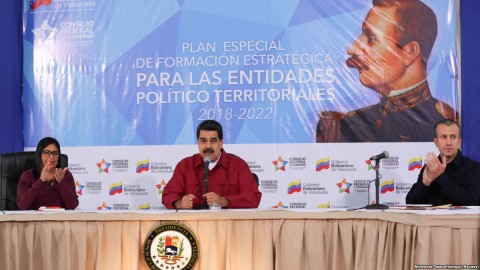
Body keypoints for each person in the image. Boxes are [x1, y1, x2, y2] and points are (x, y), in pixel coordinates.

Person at [316, 0, 457, 142]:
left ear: (410, 52)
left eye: (371, 38)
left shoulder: (448, 125)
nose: (352, 49)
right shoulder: (339, 128)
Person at [162, 120, 262, 209]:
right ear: (198, 143)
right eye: (203, 141)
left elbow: (253, 197)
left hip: (229, 226)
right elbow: (168, 195)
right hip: (193, 225)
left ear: (221, 143)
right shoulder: (185, 165)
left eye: (213, 141)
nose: (208, 146)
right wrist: (180, 203)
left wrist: (224, 201)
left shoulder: (238, 165)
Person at [406, 119, 480, 206]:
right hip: (431, 219)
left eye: (453, 137)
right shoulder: (429, 168)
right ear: (436, 142)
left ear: (459, 141)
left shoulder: (473, 168)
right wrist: (424, 184)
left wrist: (441, 176)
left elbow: (474, 201)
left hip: (458, 220)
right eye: (444, 137)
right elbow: (410, 203)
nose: (448, 143)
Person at [16, 137, 79, 210]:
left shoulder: (65, 175)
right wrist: (40, 181)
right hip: (34, 219)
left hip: (59, 219)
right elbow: (22, 205)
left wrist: (62, 183)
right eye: (47, 152)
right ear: (40, 155)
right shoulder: (27, 176)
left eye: (55, 153)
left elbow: (73, 205)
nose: (51, 157)